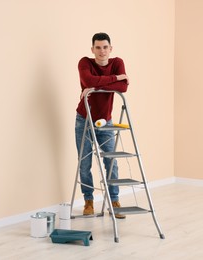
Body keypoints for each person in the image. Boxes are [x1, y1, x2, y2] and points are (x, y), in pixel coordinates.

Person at [75, 32, 129, 219]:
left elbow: (124, 87)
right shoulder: (85, 63)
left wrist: (96, 87)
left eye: (105, 47)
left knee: (111, 161)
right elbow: (88, 81)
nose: (102, 51)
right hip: (85, 119)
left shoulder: (117, 62)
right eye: (98, 47)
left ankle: (114, 201)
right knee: (85, 163)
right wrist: (116, 78)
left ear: (110, 48)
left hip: (106, 121)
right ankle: (88, 201)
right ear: (92, 49)